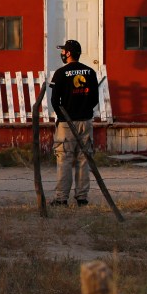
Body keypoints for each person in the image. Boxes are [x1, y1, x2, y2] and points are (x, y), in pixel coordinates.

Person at [49, 39, 99, 207]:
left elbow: (55, 101)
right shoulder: (91, 73)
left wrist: (63, 115)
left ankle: (61, 198)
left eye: (63, 51)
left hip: (66, 123)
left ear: (69, 53)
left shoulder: (61, 73)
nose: (62, 53)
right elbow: (94, 99)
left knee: (64, 159)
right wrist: (84, 111)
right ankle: (82, 197)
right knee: (84, 159)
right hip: (86, 121)